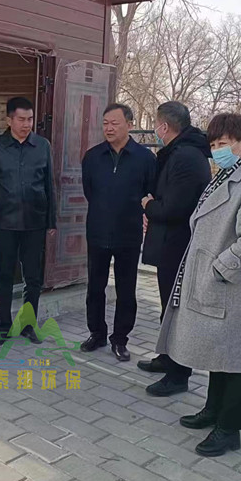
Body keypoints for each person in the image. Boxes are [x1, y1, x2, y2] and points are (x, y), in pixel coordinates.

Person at [155, 112, 241, 457]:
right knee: (217, 351)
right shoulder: (229, 173)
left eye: (224, 143)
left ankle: (229, 428)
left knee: (234, 357)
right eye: (214, 143)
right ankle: (213, 410)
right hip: (213, 279)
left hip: (230, 284)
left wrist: (220, 269)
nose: (217, 149)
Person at [138, 101, 212, 395]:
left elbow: (175, 208)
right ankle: (167, 356)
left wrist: (149, 206)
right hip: (169, 243)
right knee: (168, 307)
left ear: (164, 126)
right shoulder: (179, 152)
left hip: (179, 246)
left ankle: (178, 375)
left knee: (177, 310)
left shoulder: (186, 157)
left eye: (156, 124)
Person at [80, 103, 156, 361]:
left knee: (126, 290)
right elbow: (89, 191)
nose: (109, 128)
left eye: (114, 123)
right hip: (98, 231)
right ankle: (97, 333)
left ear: (129, 125)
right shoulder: (92, 157)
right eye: (105, 123)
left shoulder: (145, 158)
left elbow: (150, 194)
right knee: (95, 287)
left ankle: (120, 339)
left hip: (128, 234)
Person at [0, 97, 56, 347]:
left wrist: (51, 220)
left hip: (35, 221)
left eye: (30, 119)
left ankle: (28, 325)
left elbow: (49, 185)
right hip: (5, 222)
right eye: (21, 119)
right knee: (4, 275)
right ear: (9, 120)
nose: (27, 124)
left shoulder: (42, 146)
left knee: (33, 278)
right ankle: (3, 327)